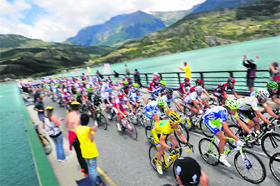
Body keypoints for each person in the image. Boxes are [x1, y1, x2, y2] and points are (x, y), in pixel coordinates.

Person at [204, 99, 251, 167]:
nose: (235, 111)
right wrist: (237, 139)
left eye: (236, 109)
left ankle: (221, 148)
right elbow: (225, 128)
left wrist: (250, 132)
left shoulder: (232, 111)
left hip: (216, 120)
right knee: (222, 138)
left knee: (230, 133)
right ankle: (222, 157)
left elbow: (239, 121)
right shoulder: (222, 112)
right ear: (228, 108)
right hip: (209, 121)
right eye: (234, 109)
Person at [76, 114, 99, 186]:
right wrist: (93, 130)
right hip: (91, 152)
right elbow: (92, 138)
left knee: (89, 168)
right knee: (93, 169)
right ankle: (94, 183)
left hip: (84, 151)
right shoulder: (88, 129)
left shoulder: (78, 128)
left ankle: (94, 181)